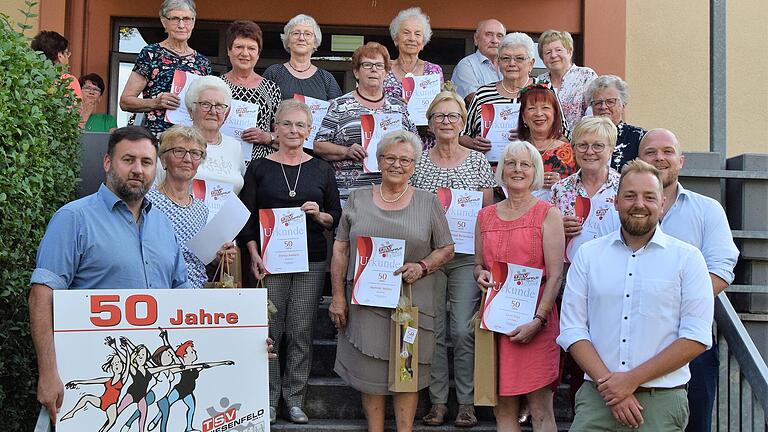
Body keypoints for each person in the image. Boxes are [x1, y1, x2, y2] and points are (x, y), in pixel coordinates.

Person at [29, 126, 189, 423]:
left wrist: (241, 337)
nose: (138, 170)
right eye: (128, 160)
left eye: (146, 162)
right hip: (92, 369)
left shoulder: (163, 226)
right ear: (107, 163)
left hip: (153, 376)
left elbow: (184, 296)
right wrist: (48, 372)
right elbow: (42, 297)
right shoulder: (73, 219)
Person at [558, 159, 715, 431]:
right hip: (598, 399)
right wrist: (612, 386)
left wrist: (630, 380)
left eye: (649, 197)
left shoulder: (688, 259)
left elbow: (695, 337)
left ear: (662, 203)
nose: (638, 204)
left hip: (661, 403)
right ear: (616, 202)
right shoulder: (588, 255)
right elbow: (572, 329)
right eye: (629, 196)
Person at [329, 130, 455, 432]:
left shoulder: (428, 201)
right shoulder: (358, 198)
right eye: (390, 158)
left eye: (405, 160)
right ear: (379, 160)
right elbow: (341, 247)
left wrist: (423, 266)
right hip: (365, 302)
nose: (397, 165)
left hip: (410, 302)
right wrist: (337, 296)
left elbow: (447, 248)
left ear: (415, 165)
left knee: (406, 370)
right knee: (370, 368)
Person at [238, 99, 342, 425]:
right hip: (269, 261)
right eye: (287, 124)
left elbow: (335, 217)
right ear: (275, 129)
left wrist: (319, 214)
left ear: (309, 131)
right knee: (270, 331)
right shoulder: (258, 168)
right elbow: (248, 218)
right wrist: (253, 254)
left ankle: (294, 398)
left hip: (311, 260)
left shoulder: (322, 168)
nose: (293, 131)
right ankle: (268, 399)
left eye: (300, 125)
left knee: (300, 329)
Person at [637, 129, 739, 432]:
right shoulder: (624, 209)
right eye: (650, 152)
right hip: (632, 346)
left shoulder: (707, 210)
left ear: (680, 161)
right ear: (638, 160)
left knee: (695, 425)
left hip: (691, 344)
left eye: (667, 151)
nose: (659, 157)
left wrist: (674, 303)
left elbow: (722, 269)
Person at [410, 90, 494, 427]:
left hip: (465, 258)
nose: (446, 122)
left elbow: (487, 216)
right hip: (429, 259)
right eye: (440, 116)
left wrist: (483, 260)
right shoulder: (418, 162)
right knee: (434, 331)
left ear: (463, 123)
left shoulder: (477, 162)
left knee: (461, 330)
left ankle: (466, 401)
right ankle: (438, 401)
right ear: (429, 123)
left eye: (453, 116)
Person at [475, 140, 564, 431]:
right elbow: (479, 264)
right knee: (503, 412)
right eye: (511, 163)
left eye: (525, 164)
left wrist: (538, 320)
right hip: (495, 325)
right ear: (501, 169)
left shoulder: (547, 213)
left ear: (535, 170)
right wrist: (480, 275)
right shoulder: (485, 215)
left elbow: (555, 275)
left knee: (540, 412)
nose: (517, 169)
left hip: (534, 324)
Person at [314, 42, 417, 200]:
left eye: (379, 65)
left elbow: (415, 145)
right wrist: (346, 151)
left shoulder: (399, 107)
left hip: (393, 194)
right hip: (350, 196)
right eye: (367, 65)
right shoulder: (338, 106)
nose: (374, 69)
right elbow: (318, 145)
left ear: (386, 72)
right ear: (356, 71)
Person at [147, 125, 235, 289]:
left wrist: (218, 256)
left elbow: (200, 259)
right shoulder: (146, 202)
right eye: (179, 151)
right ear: (163, 159)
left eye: (195, 153)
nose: (187, 159)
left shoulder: (201, 209)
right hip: (158, 294)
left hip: (195, 300)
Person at [119, 0, 211, 136]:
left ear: (193, 22)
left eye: (186, 19)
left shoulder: (203, 63)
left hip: (190, 140)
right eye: (175, 19)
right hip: (156, 138)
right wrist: (155, 103)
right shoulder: (151, 53)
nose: (181, 25)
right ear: (164, 22)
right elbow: (125, 101)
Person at [155, 76, 246, 195]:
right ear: (191, 110)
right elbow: (155, 185)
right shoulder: (173, 141)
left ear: (225, 113)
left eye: (219, 106)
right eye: (205, 104)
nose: (213, 111)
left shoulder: (235, 147)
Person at [460, 32, 535, 157]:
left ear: (531, 63)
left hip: (532, 167)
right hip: (489, 170)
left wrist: (531, 136)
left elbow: (562, 134)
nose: (512, 63)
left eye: (519, 58)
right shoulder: (483, 94)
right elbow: (462, 135)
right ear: (498, 62)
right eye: (505, 58)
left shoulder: (543, 91)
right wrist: (474, 143)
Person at [221, 20, 281, 162]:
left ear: (258, 53)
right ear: (229, 51)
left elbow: (285, 134)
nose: (245, 53)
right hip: (222, 162)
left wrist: (267, 137)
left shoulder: (271, 89)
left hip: (261, 166)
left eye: (252, 48)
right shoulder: (216, 86)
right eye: (239, 47)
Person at [517, 83, 576, 201]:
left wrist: (561, 185)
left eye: (545, 108)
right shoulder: (515, 151)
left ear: (555, 114)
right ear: (523, 116)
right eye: (532, 108)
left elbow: (581, 190)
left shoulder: (571, 151)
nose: (539, 114)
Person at [263, 14, 343, 101]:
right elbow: (263, 109)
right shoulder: (274, 73)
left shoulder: (326, 78)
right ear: (288, 41)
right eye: (296, 33)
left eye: (307, 34)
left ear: (315, 43)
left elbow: (337, 111)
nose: (301, 38)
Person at [535, 30, 597, 132]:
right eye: (548, 52)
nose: (553, 55)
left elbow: (593, 113)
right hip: (546, 144)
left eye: (558, 50)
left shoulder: (586, 76)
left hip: (579, 143)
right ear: (542, 59)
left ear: (569, 52)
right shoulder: (539, 82)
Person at [586, 75, 646, 171]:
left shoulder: (639, 137)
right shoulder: (584, 137)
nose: (603, 107)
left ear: (623, 105)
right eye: (598, 103)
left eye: (610, 101)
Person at [384, 7, 443, 100]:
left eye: (418, 34)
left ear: (423, 42)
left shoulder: (434, 71)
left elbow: (438, 106)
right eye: (406, 33)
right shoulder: (384, 69)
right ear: (396, 39)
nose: (412, 38)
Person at [451, 19, 506, 99]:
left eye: (499, 36)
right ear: (476, 39)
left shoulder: (509, 65)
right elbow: (476, 98)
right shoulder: (466, 65)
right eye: (489, 34)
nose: (495, 41)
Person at [31, 30, 82, 99]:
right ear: (60, 55)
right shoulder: (68, 81)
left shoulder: (29, 78)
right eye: (67, 53)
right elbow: (76, 108)